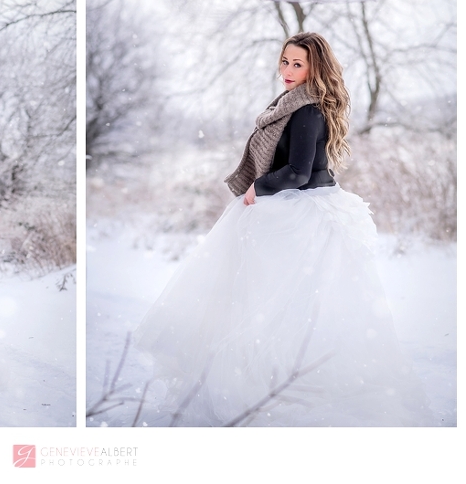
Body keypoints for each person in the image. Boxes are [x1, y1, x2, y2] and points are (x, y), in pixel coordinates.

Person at [134, 33, 433, 426]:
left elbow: (299, 171)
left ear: (315, 69)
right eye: (285, 61)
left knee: (285, 311)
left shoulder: (307, 109)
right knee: (263, 306)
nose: (288, 71)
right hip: (289, 207)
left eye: (298, 64)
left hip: (303, 213)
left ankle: (287, 393)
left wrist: (260, 187)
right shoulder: (287, 105)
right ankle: (265, 384)